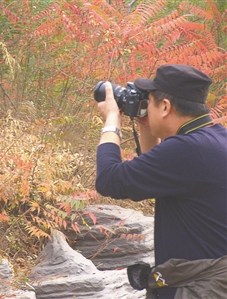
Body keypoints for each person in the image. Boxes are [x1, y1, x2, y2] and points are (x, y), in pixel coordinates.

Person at [94, 64, 227, 298]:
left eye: (151, 101)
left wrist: (112, 121)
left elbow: (109, 180)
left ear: (165, 107)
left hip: (199, 289)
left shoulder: (187, 150)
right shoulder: (214, 139)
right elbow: (154, 180)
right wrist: (147, 126)